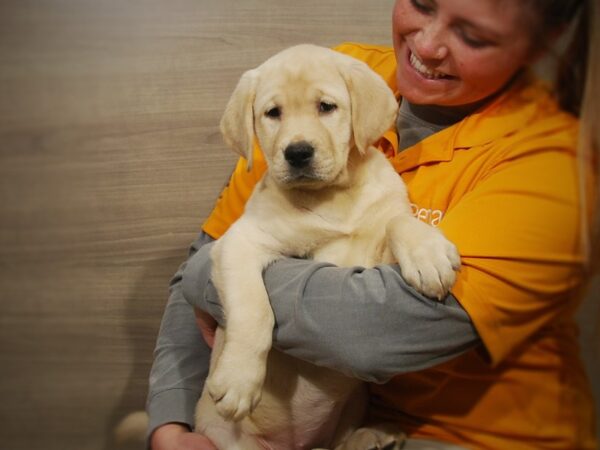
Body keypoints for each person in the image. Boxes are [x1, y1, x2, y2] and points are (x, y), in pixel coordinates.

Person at [147, 0, 600, 448]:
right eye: (422, 3)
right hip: (316, 423)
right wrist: (170, 423)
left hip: (469, 438)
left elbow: (369, 334)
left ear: (541, 44)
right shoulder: (333, 73)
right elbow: (204, 258)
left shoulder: (556, 165)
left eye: (472, 35)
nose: (427, 45)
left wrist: (211, 273)